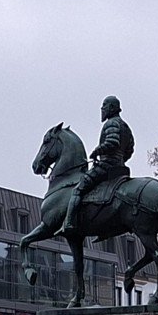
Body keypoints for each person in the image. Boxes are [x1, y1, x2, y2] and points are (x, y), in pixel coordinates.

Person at [64, 95, 134, 235]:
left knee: (79, 189)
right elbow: (130, 148)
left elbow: (112, 142)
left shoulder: (112, 123)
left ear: (112, 108)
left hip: (107, 165)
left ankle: (69, 222)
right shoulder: (126, 126)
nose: (102, 109)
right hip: (121, 167)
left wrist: (97, 151)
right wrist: (122, 159)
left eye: (104, 105)